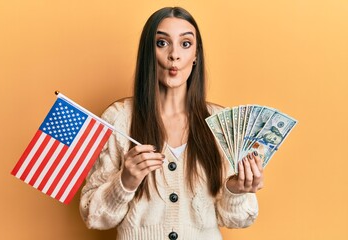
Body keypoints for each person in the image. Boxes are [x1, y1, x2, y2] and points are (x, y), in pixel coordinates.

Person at [79, 6, 264, 240]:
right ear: (148, 52)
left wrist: (236, 189)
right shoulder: (119, 118)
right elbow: (92, 216)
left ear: (196, 55)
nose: (174, 54)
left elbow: (235, 220)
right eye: (162, 43)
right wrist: (125, 181)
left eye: (185, 44)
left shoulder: (222, 123)